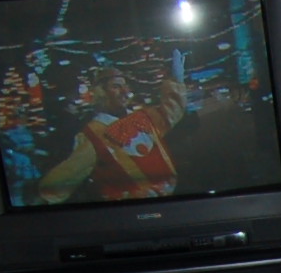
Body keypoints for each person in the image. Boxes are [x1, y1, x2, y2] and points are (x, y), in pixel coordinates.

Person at [37, 65, 183, 203]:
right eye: (116, 87)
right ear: (101, 93)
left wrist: (177, 80)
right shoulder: (93, 135)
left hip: (171, 201)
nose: (125, 92)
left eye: (125, 86)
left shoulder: (142, 117)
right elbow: (63, 179)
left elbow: (170, 113)